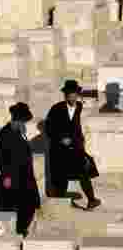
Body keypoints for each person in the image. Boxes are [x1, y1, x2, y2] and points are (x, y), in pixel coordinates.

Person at [45, 80, 101, 209]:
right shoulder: (57, 108)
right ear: (65, 95)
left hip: (76, 147)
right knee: (61, 176)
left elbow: (76, 126)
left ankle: (91, 199)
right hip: (60, 149)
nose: (71, 96)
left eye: (74, 94)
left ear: (77, 95)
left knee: (84, 172)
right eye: (69, 94)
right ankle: (60, 202)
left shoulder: (79, 107)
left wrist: (80, 141)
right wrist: (60, 139)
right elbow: (49, 128)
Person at [0, 102, 41, 236]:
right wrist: (6, 176)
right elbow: (2, 157)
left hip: (26, 176)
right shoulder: (5, 133)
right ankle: (20, 231)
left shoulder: (20, 132)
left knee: (31, 204)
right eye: (22, 121)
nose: (24, 124)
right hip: (14, 177)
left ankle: (21, 230)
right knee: (21, 206)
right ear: (16, 120)